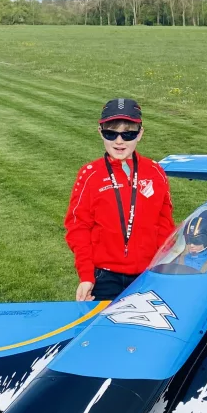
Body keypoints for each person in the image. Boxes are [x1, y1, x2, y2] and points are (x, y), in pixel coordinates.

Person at [65, 98, 174, 301]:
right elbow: (78, 227)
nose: (119, 141)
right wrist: (87, 275)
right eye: (111, 133)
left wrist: (163, 267)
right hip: (104, 277)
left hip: (148, 275)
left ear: (140, 134)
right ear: (100, 132)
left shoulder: (155, 172)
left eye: (128, 133)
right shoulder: (89, 174)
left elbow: (164, 224)